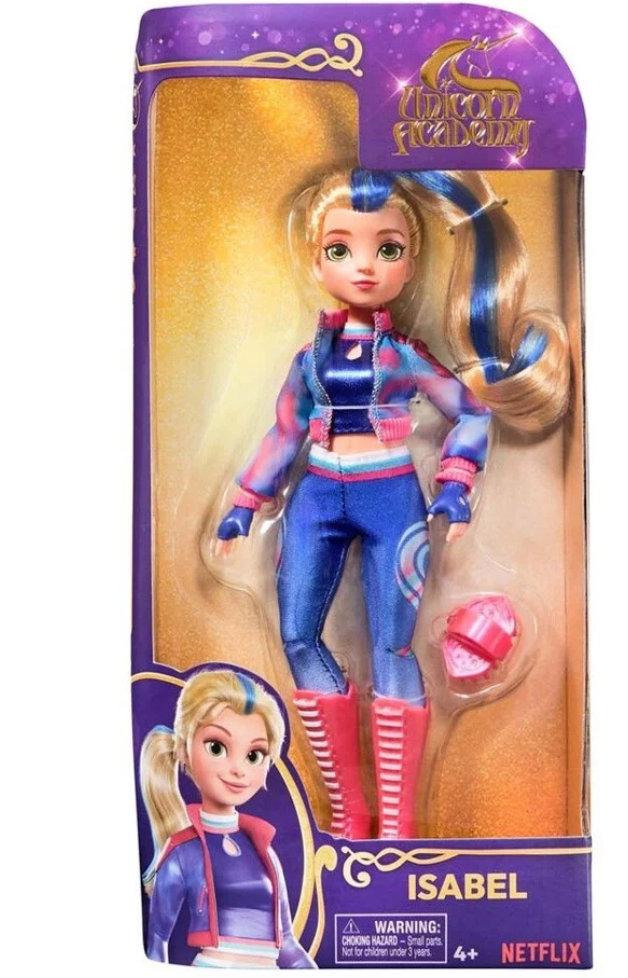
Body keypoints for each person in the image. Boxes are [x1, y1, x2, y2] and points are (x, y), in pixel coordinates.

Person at [217, 169, 570, 840]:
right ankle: (349, 813)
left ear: (409, 263)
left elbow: (470, 412)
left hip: (390, 498)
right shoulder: (308, 360)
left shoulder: (405, 357)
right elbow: (285, 432)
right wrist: (246, 499)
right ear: (316, 260)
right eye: (340, 248)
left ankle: (398, 825)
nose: (364, 266)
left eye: (387, 248)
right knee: (297, 635)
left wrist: (455, 485)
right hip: (316, 495)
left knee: (393, 646)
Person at [140, 669, 315, 968]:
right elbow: (156, 940)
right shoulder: (185, 852)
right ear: (184, 750)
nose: (238, 769)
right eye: (217, 747)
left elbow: (288, 944)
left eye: (254, 755)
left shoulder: (262, 849)